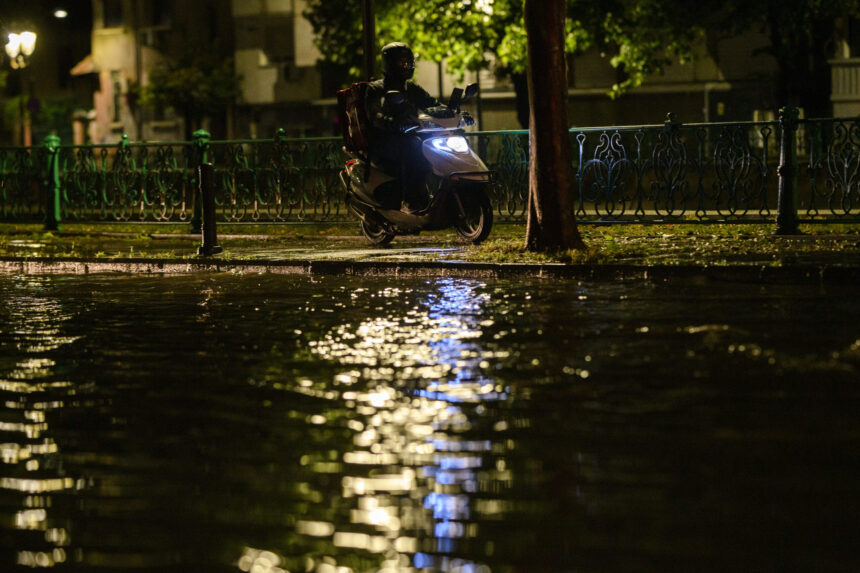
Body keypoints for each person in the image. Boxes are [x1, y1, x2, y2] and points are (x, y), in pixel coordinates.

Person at [365, 42, 439, 213]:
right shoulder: (375, 89)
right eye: (403, 62)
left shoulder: (411, 88)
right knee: (413, 147)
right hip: (383, 142)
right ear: (390, 64)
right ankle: (410, 200)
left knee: (432, 145)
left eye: (410, 62)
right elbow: (374, 115)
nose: (408, 66)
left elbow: (431, 104)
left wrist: (453, 112)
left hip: (409, 137)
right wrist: (391, 122)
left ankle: (433, 194)